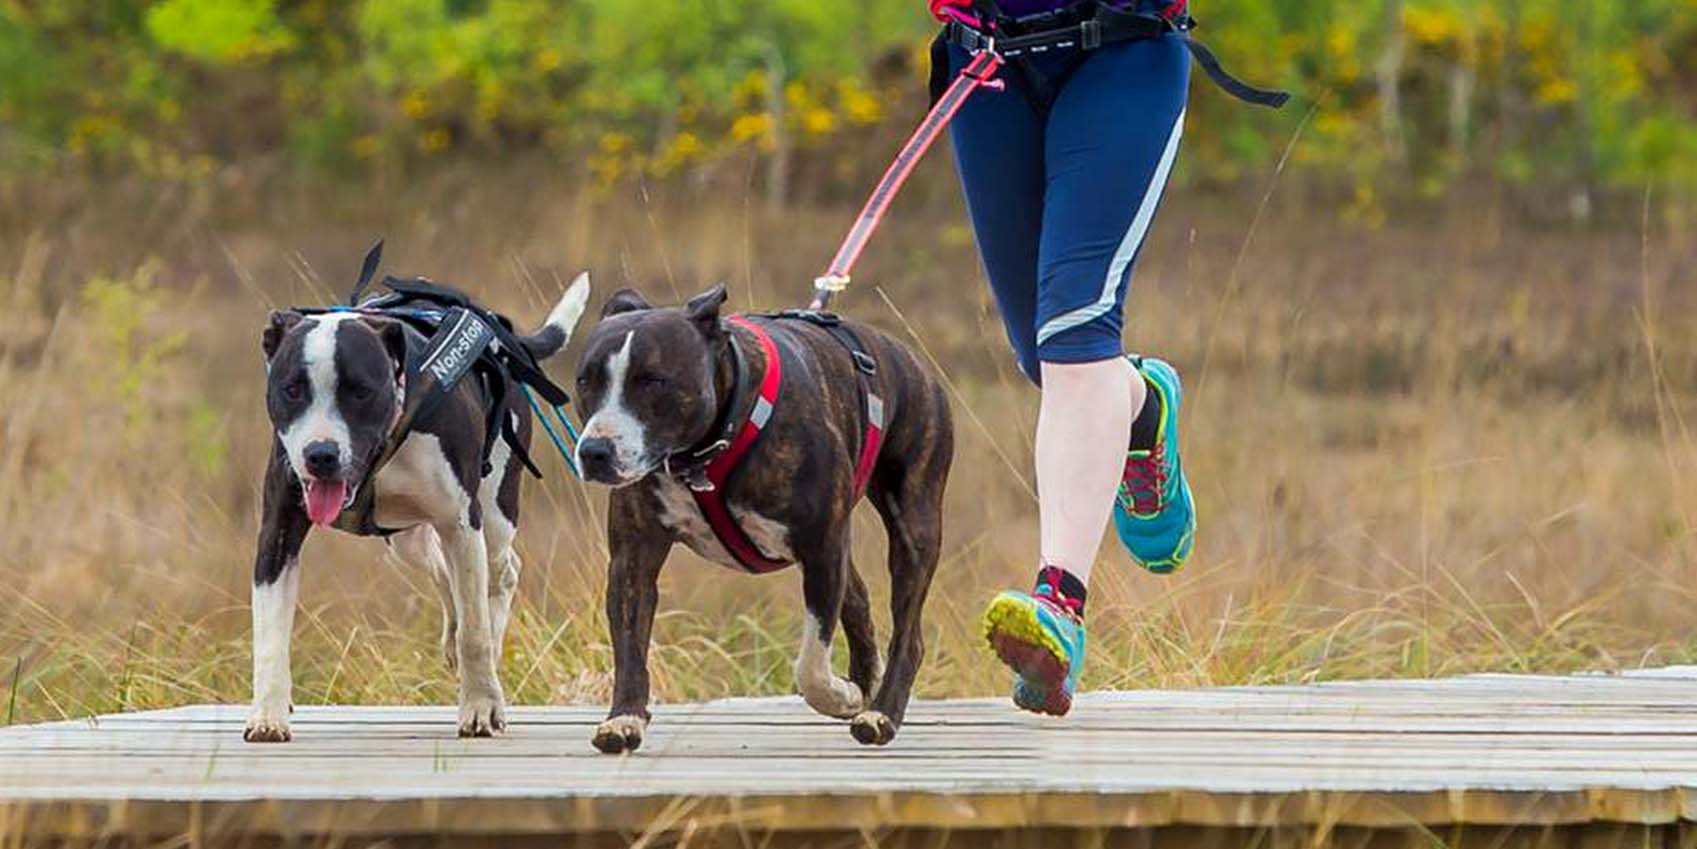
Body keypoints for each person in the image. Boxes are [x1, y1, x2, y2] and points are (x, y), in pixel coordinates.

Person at [931, 0, 1198, 717]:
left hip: (1121, 56)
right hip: (986, 67)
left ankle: (1059, 605)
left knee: (1075, 332)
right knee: (1046, 360)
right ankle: (1140, 408)